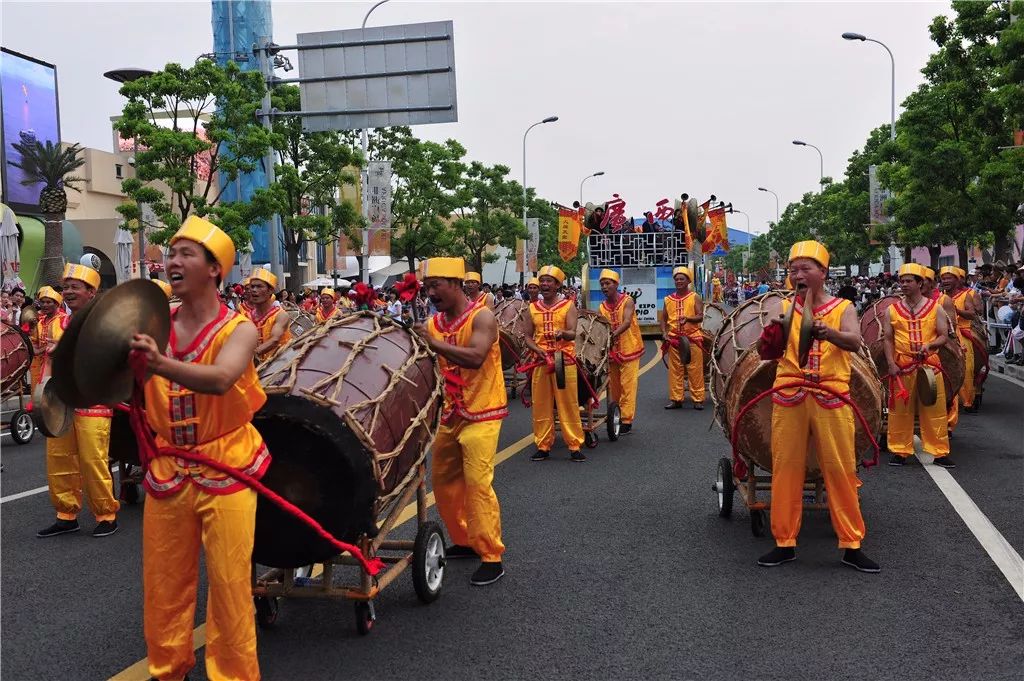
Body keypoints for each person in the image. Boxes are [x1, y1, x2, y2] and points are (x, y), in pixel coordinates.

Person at [128, 215, 267, 681]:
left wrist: (160, 364)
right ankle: (167, 669)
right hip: (169, 468)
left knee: (229, 586)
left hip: (227, 464)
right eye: (171, 253)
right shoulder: (151, 323)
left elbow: (223, 378)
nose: (173, 261)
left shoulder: (240, 329)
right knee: (164, 582)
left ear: (214, 269)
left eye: (186, 253)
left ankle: (233, 675)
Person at [755, 241, 878, 573]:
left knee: (840, 469)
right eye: (793, 269)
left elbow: (854, 341)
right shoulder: (780, 306)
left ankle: (852, 545)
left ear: (822, 273)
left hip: (830, 394)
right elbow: (765, 352)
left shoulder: (843, 308)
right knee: (786, 469)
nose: (798, 274)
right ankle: (784, 542)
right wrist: (773, 329)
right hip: (790, 392)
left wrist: (830, 333)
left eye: (805, 268)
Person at [416, 257, 507, 586]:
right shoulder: (432, 324)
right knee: (443, 482)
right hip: (449, 412)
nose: (430, 292)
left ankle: (491, 554)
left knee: (477, 483)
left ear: (455, 283)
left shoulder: (482, 317)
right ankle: (466, 540)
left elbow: (476, 356)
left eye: (435, 285)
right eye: (427, 287)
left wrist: (433, 343)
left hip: (483, 411)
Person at [37, 263, 121, 539]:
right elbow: (49, 361)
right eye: (66, 287)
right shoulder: (57, 324)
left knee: (92, 460)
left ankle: (106, 514)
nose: (69, 292)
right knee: (59, 459)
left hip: (92, 401)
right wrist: (41, 395)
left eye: (75, 287)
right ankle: (66, 514)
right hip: (61, 403)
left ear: (91, 292)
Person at [884, 263, 954, 468]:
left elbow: (943, 336)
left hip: (930, 366)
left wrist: (930, 345)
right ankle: (899, 451)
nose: (904, 285)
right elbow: (888, 339)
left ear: (920, 283)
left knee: (935, 409)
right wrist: (890, 363)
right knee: (899, 411)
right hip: (902, 364)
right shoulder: (892, 310)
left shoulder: (936, 308)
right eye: (902, 281)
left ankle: (940, 452)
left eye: (908, 281)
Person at [521, 265, 586, 462]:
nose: (544, 284)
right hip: (540, 361)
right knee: (540, 404)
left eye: (549, 281)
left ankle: (574, 445)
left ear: (557, 285)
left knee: (568, 404)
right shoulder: (532, 308)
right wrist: (536, 349)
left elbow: (573, 332)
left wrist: (562, 333)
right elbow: (527, 336)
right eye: (542, 281)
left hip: (563, 361)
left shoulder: (568, 305)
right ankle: (543, 445)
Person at [597, 269, 643, 434]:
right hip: (611, 352)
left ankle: (626, 419)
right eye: (602, 284)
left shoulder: (628, 301)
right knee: (614, 387)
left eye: (607, 283)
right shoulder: (601, 307)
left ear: (616, 285)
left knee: (628, 386)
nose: (604, 286)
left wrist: (611, 334)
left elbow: (627, 322)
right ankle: (616, 414)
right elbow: (600, 327)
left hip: (629, 348)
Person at [660, 265, 705, 410]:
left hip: (693, 339)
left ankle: (698, 399)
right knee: (675, 370)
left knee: (695, 369)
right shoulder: (668, 299)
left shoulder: (694, 297)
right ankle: (676, 399)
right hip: (674, 340)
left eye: (682, 279)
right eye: (677, 279)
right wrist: (664, 333)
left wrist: (688, 319)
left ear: (688, 281)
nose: (679, 281)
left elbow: (700, 316)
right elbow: (663, 319)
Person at [941, 266, 982, 416]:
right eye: (943, 278)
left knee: (968, 365)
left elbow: (972, 313)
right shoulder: (940, 296)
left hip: (963, 331)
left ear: (957, 280)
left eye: (949, 278)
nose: (945, 281)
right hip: (942, 332)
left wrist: (955, 310)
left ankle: (967, 400)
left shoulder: (966, 295)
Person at [244, 267, 291, 363]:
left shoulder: (280, 315)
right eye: (252, 287)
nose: (253, 290)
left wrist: (249, 355)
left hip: (280, 369)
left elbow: (275, 340)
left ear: (270, 290)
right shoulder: (245, 317)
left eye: (259, 286)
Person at [28, 286, 65, 392]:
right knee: (38, 395)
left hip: (55, 363)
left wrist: (38, 350)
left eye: (48, 302)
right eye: (42, 302)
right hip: (39, 363)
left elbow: (57, 343)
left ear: (57, 304)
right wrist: (34, 347)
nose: (44, 305)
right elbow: (34, 340)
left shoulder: (61, 319)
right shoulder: (40, 321)